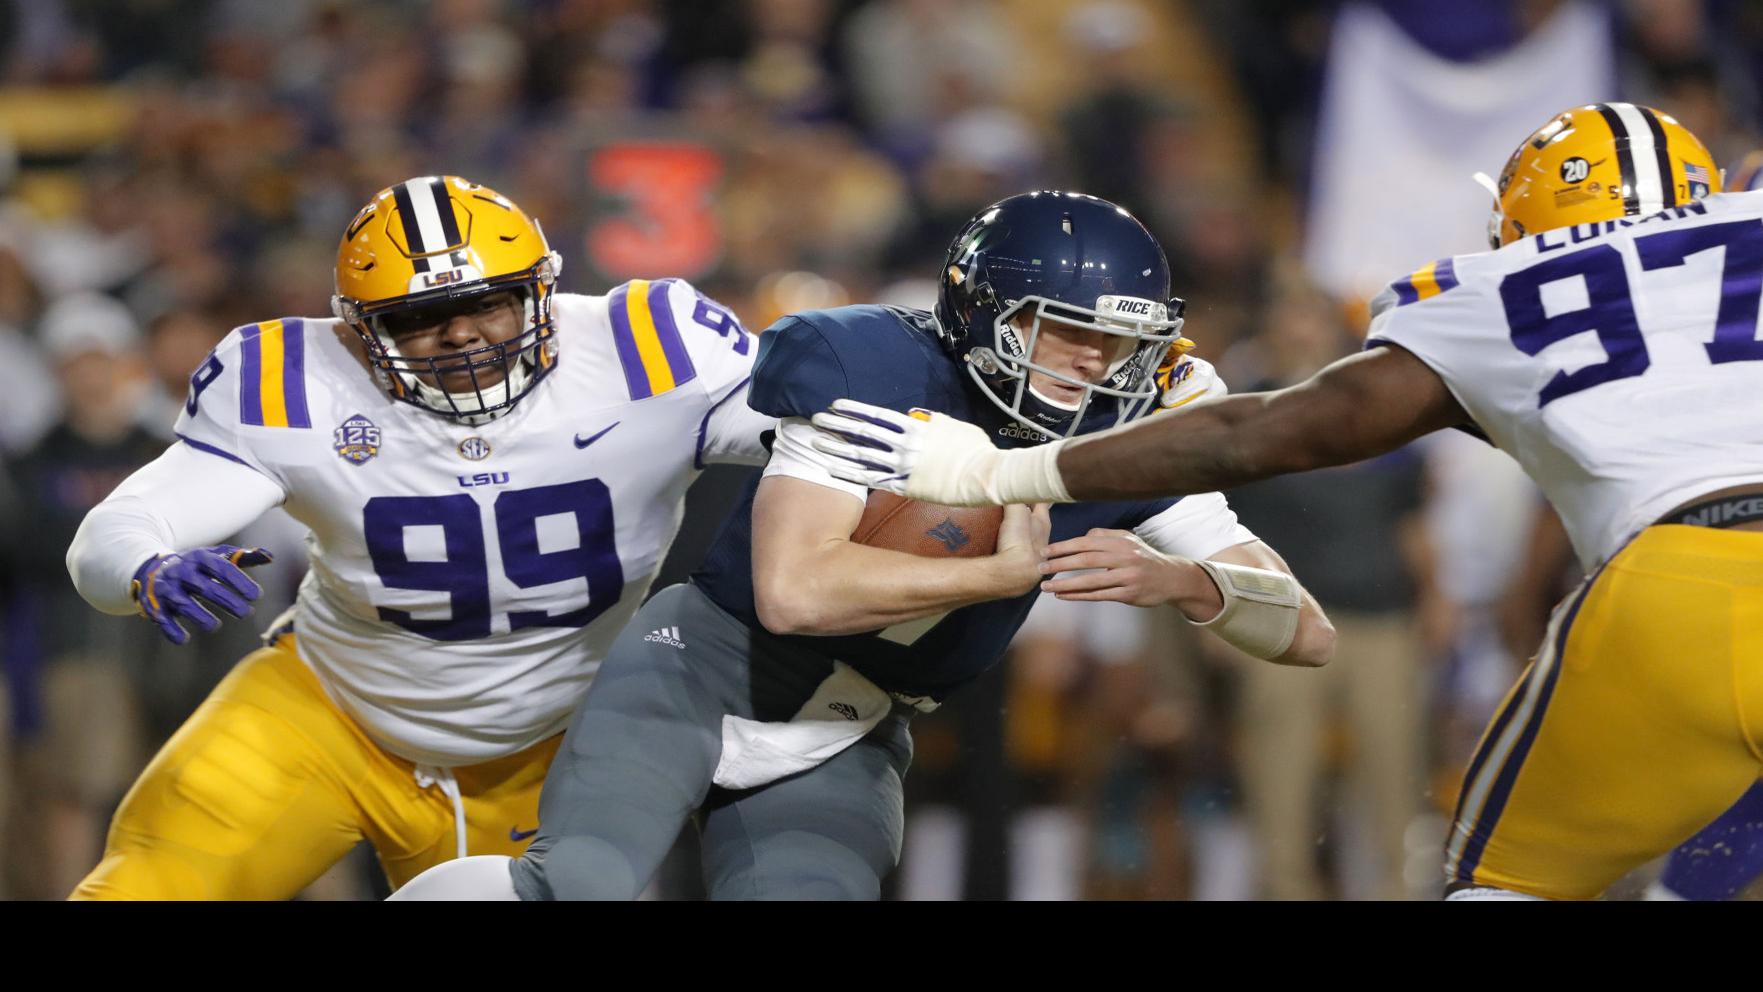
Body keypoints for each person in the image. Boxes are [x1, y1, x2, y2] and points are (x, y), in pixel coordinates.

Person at [813, 103, 1763, 901]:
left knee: (1500, 882)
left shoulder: (1499, 288)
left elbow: (1266, 431)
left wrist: (1002, 474)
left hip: (1680, 582)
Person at [393, 190, 1334, 900]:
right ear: (981, 311)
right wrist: (997, 574)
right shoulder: (874, 369)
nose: (1091, 360)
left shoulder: (1131, 434)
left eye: (1114, 340)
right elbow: (794, 592)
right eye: (1062, 328)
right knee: (580, 886)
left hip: (846, 728)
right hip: (702, 672)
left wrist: (1184, 582)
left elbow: (1307, 633)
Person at [63, 176, 772, 898]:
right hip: (325, 714)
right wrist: (143, 568)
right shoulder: (296, 380)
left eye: (488, 303)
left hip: (541, 750)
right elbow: (117, 530)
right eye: (420, 316)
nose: (461, 333)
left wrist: (885, 449)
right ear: (355, 328)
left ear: (541, 292)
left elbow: (818, 435)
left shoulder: (646, 348)